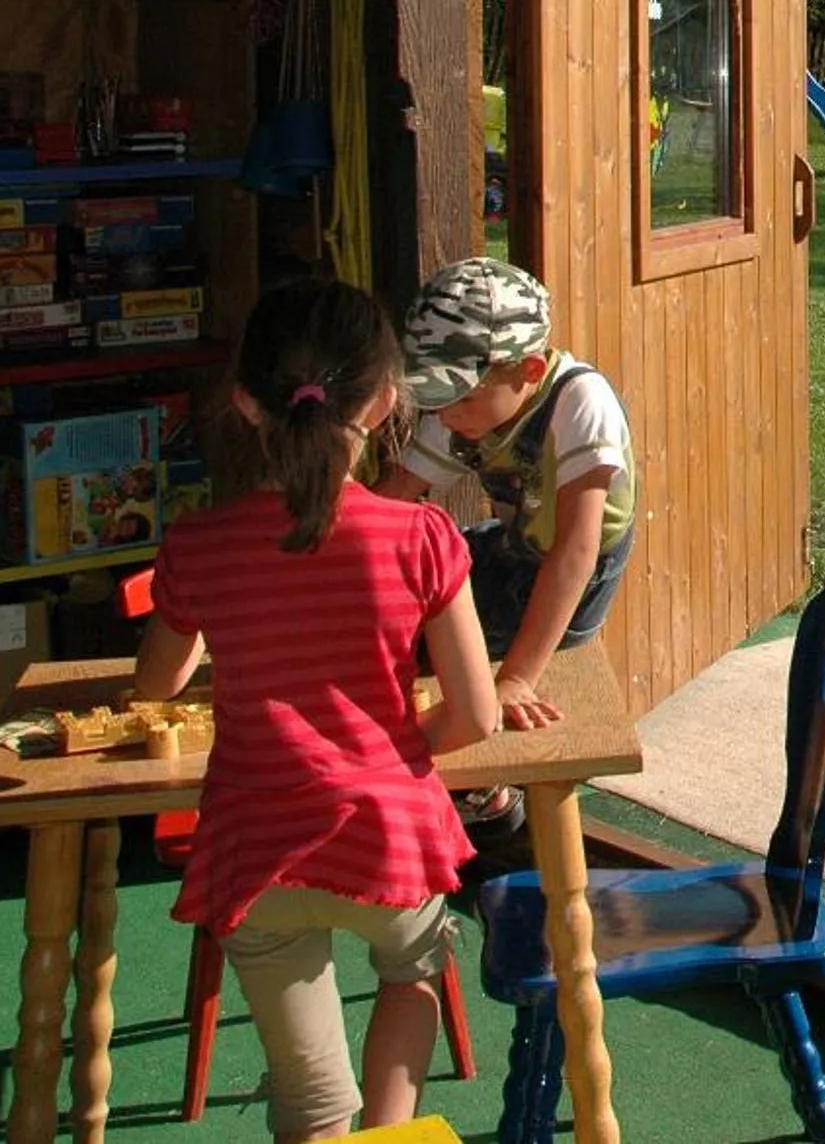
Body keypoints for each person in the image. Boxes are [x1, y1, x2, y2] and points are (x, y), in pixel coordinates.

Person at [133, 278, 499, 1143]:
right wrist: (405, 749)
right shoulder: (420, 538)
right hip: (387, 834)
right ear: (384, 401)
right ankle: (393, 1131)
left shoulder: (198, 543)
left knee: (306, 1097)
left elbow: (156, 683)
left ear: (243, 403)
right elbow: (477, 715)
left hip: (255, 845)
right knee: (412, 973)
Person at [376, 257, 638, 830]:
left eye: (460, 400)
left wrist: (517, 677)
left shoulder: (580, 403)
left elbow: (575, 551)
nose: (445, 414)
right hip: (516, 543)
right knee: (419, 605)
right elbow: (393, 498)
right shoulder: (463, 406)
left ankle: (488, 792)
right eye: (435, 398)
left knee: (465, 657)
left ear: (530, 368)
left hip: (578, 572)